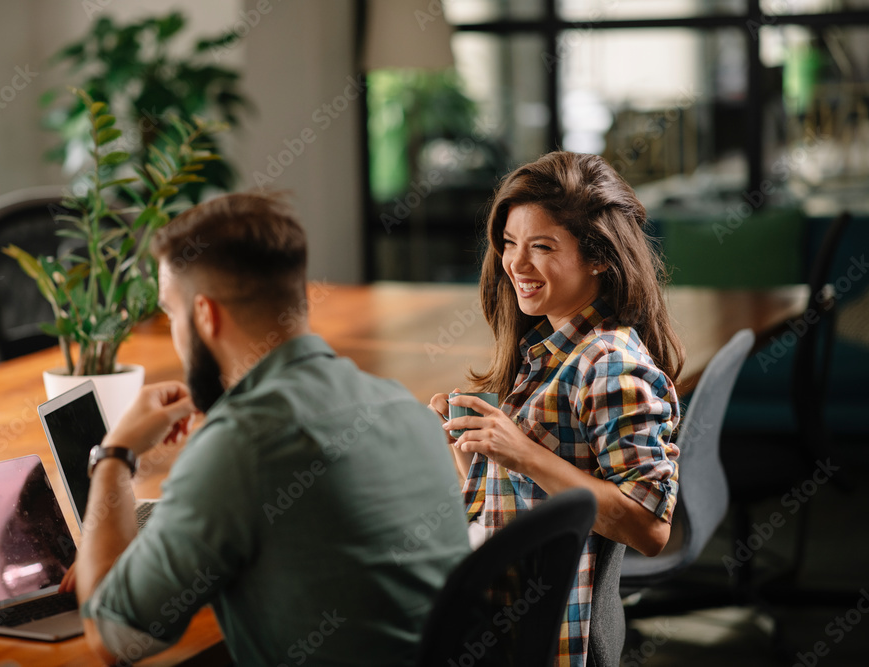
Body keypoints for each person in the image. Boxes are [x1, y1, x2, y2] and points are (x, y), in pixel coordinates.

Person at [69, 192, 471, 665]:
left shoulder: (241, 446)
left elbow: (113, 636)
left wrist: (115, 455)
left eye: (171, 312)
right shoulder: (401, 404)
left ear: (205, 315)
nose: (174, 331)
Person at [429, 151, 683, 666]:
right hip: (511, 620)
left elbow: (649, 527)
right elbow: (537, 502)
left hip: (555, 640)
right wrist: (476, 451)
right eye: (509, 244)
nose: (516, 265)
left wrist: (520, 452)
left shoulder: (609, 365)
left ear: (599, 256)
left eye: (541, 247)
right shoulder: (551, 348)